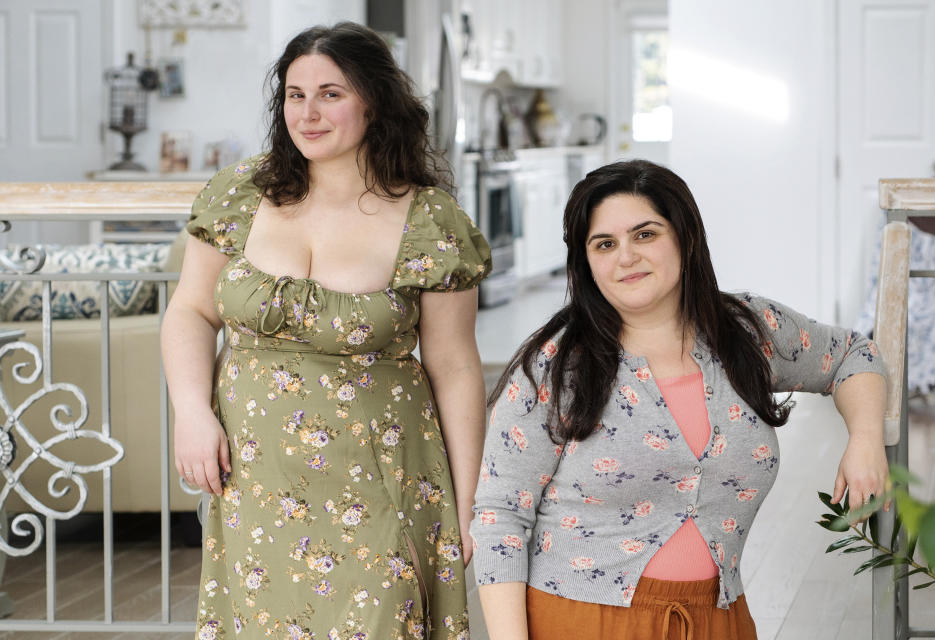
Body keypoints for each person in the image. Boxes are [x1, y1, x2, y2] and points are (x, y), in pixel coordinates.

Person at [161, 22, 490, 640]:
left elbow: (455, 367)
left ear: (374, 101)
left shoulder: (430, 220)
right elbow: (191, 311)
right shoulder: (239, 194)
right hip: (258, 475)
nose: (307, 114)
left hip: (382, 475)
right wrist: (190, 411)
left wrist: (469, 505)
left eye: (330, 94)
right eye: (294, 94)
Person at [470, 160, 888, 640]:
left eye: (645, 234)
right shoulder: (555, 365)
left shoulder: (748, 331)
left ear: (685, 238)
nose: (625, 257)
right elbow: (501, 515)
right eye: (604, 244)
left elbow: (854, 354)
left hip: (718, 620)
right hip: (580, 621)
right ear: (586, 262)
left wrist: (866, 438)